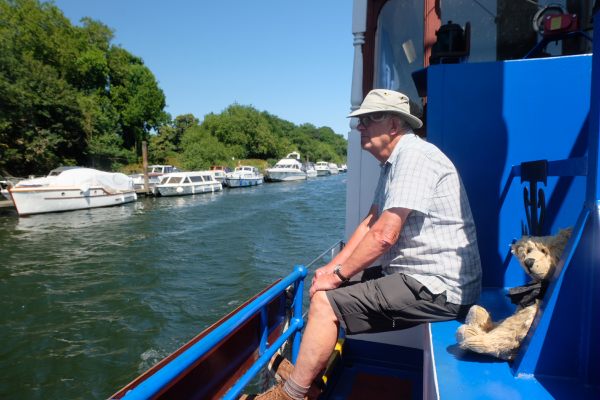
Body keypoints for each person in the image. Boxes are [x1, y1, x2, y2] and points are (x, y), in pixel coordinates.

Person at [254, 89, 482, 400]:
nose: (359, 127)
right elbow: (370, 223)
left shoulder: (415, 156)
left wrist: (339, 275)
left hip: (440, 287)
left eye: (366, 120)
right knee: (328, 290)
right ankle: (308, 379)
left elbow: (385, 235)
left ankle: (292, 395)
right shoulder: (394, 163)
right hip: (417, 276)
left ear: (392, 125)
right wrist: (331, 270)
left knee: (324, 304)